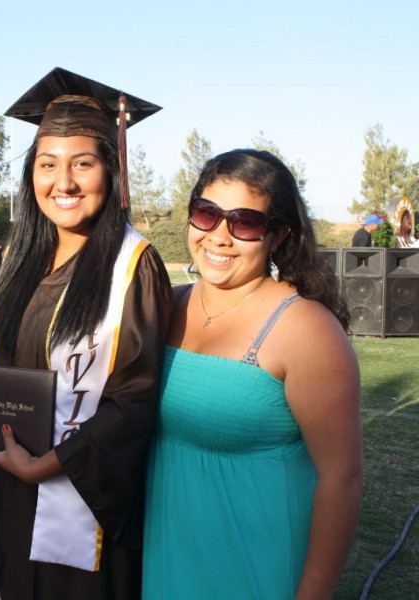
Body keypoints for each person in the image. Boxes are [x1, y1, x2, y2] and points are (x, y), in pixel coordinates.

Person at [0, 68, 171, 599]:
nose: (63, 182)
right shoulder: (12, 262)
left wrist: (47, 466)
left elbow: (134, 398)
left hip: (78, 495)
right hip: (7, 487)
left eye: (82, 163)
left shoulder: (133, 266)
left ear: (111, 169)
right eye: (47, 165)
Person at [142, 149, 362, 599]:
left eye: (244, 222)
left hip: (254, 568)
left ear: (278, 235)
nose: (219, 236)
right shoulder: (163, 305)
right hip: (162, 560)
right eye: (206, 214)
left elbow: (342, 479)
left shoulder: (306, 330)